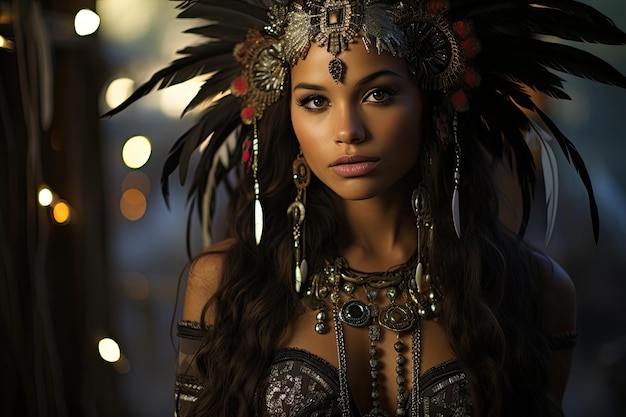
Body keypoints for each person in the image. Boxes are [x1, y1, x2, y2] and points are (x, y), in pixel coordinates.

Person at [107, 1, 626, 416]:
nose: (346, 131)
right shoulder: (224, 284)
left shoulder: (534, 289)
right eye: (315, 100)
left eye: (378, 94)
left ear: (434, 101)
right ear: (285, 113)